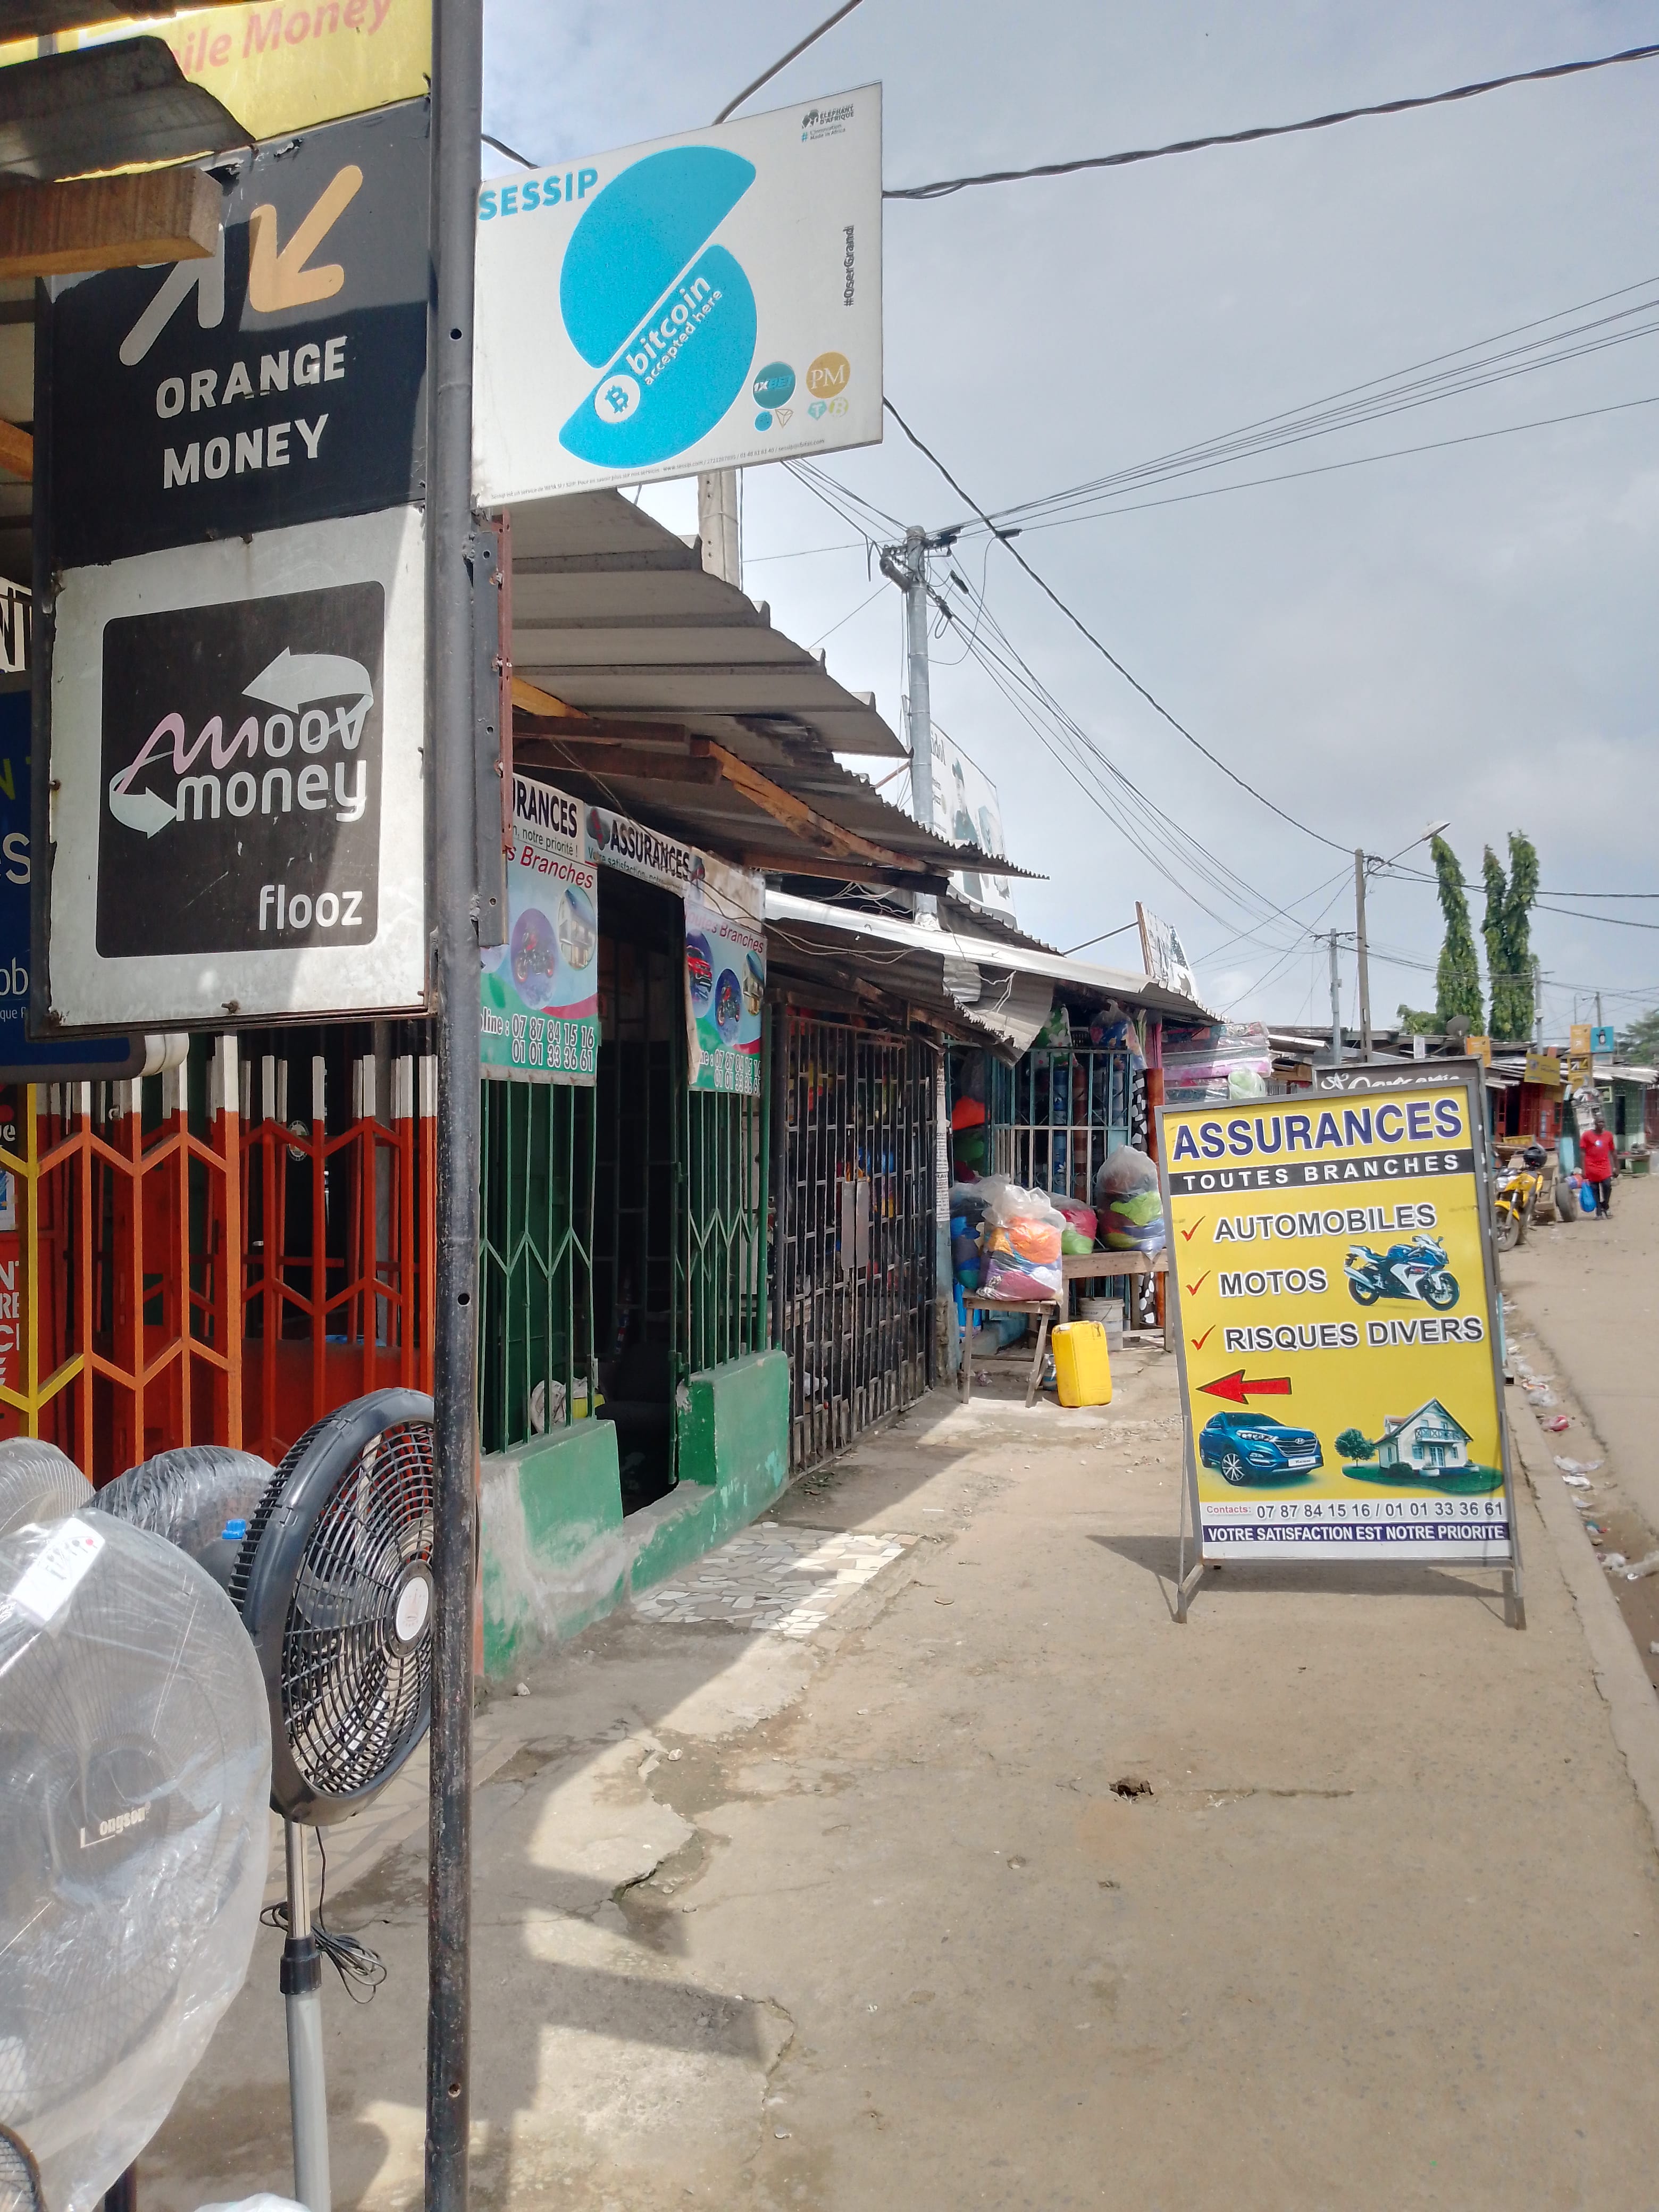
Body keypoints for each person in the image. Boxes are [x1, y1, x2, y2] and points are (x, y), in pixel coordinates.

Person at [1579, 1110, 1616, 1218]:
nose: (1601, 1124)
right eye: (1599, 1122)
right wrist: (1583, 1169)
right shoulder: (1587, 1135)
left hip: (1604, 1166)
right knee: (1595, 1189)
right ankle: (1599, 1211)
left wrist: (1616, 1167)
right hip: (1591, 1166)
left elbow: (1613, 1151)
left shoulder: (1609, 1135)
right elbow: (1582, 1152)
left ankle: (1605, 1205)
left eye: (1603, 1122)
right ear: (1595, 1124)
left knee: (1607, 1186)